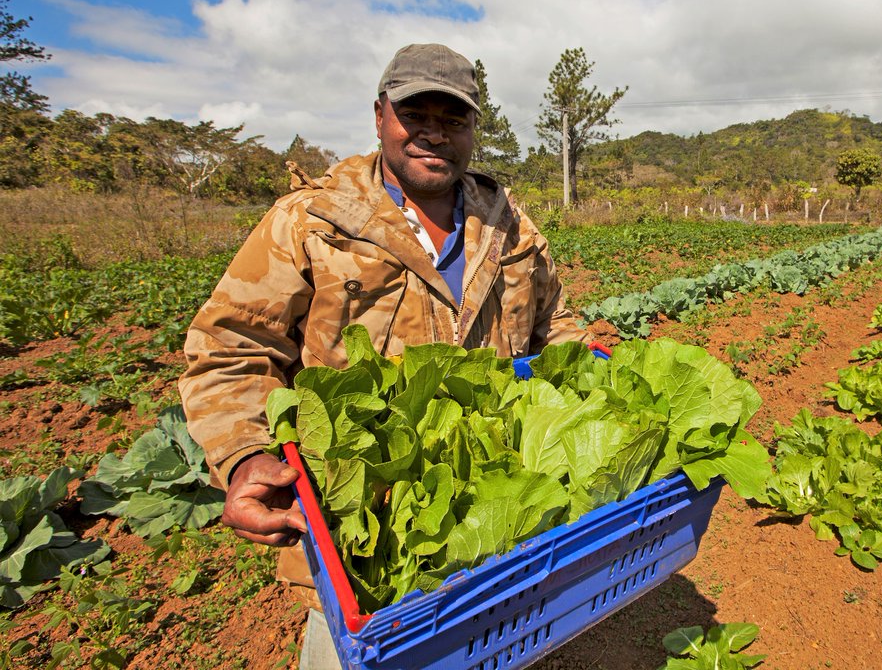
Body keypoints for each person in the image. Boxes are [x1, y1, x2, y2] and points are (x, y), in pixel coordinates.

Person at [179, 43, 588, 667]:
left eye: (453, 120)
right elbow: (231, 347)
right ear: (380, 117)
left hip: (493, 513)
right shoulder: (312, 222)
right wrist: (244, 454)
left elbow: (552, 324)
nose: (434, 134)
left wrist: (599, 369)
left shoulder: (510, 224)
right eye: (414, 115)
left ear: (473, 128)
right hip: (363, 530)